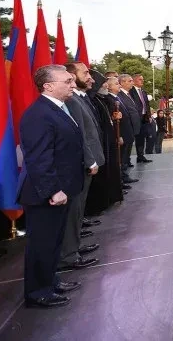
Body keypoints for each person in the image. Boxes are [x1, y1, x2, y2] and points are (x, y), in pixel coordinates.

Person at [17, 65, 86, 308]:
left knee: (54, 242)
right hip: (45, 193)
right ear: (48, 86)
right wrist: (53, 190)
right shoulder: (38, 115)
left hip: (61, 189)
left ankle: (51, 281)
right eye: (67, 81)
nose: (73, 84)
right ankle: (38, 292)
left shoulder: (56, 109)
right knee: (42, 244)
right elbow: (38, 158)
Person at [58, 62, 103, 271]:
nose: (90, 77)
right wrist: (90, 159)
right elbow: (80, 135)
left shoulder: (78, 98)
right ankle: (68, 255)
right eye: (85, 73)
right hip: (81, 163)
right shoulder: (72, 101)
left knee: (77, 211)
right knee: (72, 213)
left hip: (85, 161)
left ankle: (73, 248)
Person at [86, 71, 123, 214]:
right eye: (103, 84)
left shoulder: (102, 99)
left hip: (108, 139)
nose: (106, 86)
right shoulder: (93, 100)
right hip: (101, 142)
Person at [117, 74, 142, 182]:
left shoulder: (128, 94)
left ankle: (124, 175)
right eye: (130, 81)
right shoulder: (120, 95)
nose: (132, 83)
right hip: (126, 129)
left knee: (126, 154)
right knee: (123, 155)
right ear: (122, 83)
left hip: (131, 128)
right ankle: (123, 176)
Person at [129, 74, 153, 164]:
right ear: (134, 80)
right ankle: (127, 160)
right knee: (135, 138)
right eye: (140, 79)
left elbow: (147, 105)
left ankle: (140, 156)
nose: (142, 81)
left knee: (142, 137)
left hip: (144, 118)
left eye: (142, 79)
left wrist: (149, 116)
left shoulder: (143, 92)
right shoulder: (131, 91)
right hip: (136, 118)